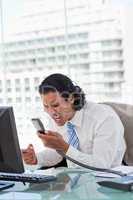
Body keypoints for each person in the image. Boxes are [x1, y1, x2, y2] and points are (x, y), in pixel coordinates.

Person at [22, 73, 126, 169]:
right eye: (46, 106)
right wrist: (36, 158)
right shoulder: (58, 117)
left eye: (55, 105)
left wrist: (64, 147)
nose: (51, 112)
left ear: (71, 98)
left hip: (107, 181)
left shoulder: (104, 118)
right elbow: (57, 153)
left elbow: (101, 165)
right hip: (76, 180)